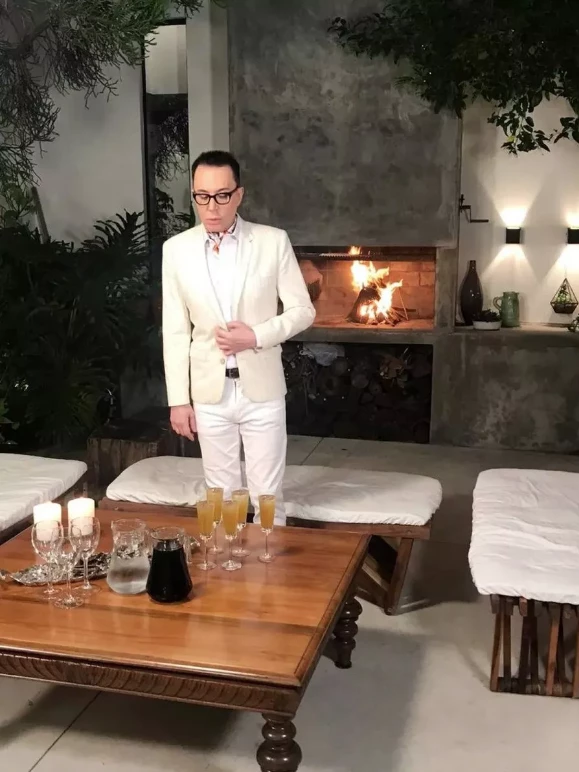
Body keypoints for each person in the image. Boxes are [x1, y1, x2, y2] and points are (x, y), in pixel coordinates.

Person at [162, 150, 315, 524]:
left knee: (268, 499)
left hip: (261, 390)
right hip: (209, 394)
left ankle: (269, 558)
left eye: (222, 195)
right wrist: (179, 400)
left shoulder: (272, 241)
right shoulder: (176, 250)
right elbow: (176, 330)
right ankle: (226, 559)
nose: (211, 207)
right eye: (202, 196)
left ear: (239, 195)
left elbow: (303, 310)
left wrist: (256, 336)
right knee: (220, 499)